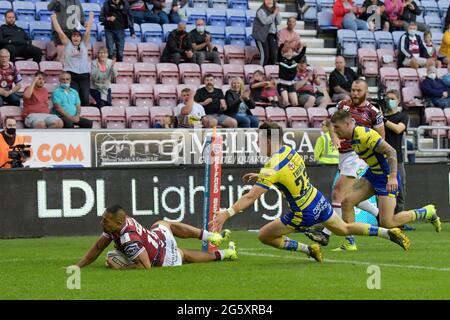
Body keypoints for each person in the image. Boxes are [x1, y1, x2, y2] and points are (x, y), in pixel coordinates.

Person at [212, 121, 411, 264]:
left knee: (264, 235)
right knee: (343, 229)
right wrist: (260, 176)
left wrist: (226, 213)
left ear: (269, 141)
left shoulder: (272, 165)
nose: (258, 144)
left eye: (260, 140)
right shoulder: (290, 151)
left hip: (303, 212)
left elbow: (251, 196)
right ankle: (388, 232)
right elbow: (285, 175)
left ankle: (309, 248)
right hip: (317, 200)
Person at [330, 109, 442, 233]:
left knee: (388, 223)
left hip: (385, 176)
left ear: (347, 124)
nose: (334, 130)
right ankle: (349, 243)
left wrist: (392, 177)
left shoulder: (364, 135)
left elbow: (391, 151)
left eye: (336, 127)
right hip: (373, 174)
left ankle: (426, 212)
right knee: (347, 202)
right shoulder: (352, 137)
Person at [305, 80, 383, 250]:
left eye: (358, 90)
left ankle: (327, 234)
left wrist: (371, 156)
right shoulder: (343, 105)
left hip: (358, 155)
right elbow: (331, 123)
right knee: (348, 196)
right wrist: (333, 136)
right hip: (343, 155)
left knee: (338, 193)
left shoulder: (373, 112)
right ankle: (379, 216)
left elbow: (381, 137)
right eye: (353, 90)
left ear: (366, 92)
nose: (355, 93)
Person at [70, 204, 237, 269]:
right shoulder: (117, 224)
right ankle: (211, 238)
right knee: (164, 223)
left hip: (161, 256)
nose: (102, 222)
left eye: (105, 220)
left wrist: (121, 266)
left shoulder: (129, 239)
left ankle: (223, 254)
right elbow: (98, 246)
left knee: (183, 254)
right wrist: (78, 266)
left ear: (118, 223)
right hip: (156, 238)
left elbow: (146, 266)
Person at [51, 12, 94, 107]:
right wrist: (54, 20)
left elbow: (87, 31)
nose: (75, 38)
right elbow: (60, 33)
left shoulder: (84, 44)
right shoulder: (68, 45)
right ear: (71, 38)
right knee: (74, 98)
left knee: (85, 99)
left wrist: (91, 17)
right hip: (71, 76)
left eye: (78, 36)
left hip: (84, 76)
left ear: (80, 38)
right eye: (74, 36)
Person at [383, 89, 408, 213]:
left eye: (392, 99)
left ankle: (400, 219)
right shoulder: (381, 117)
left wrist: (383, 120)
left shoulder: (403, 116)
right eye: (387, 99)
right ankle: (384, 218)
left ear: (398, 101)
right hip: (381, 158)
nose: (389, 101)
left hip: (397, 158)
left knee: (400, 188)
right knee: (382, 189)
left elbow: (398, 129)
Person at [252, 0, 282, 66]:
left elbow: (279, 22)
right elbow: (265, 21)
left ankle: (270, 73)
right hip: (261, 36)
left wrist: (277, 12)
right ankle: (262, 72)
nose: (269, 1)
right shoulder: (261, 10)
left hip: (271, 35)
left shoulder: (274, 10)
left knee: (273, 56)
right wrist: (274, 13)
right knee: (265, 56)